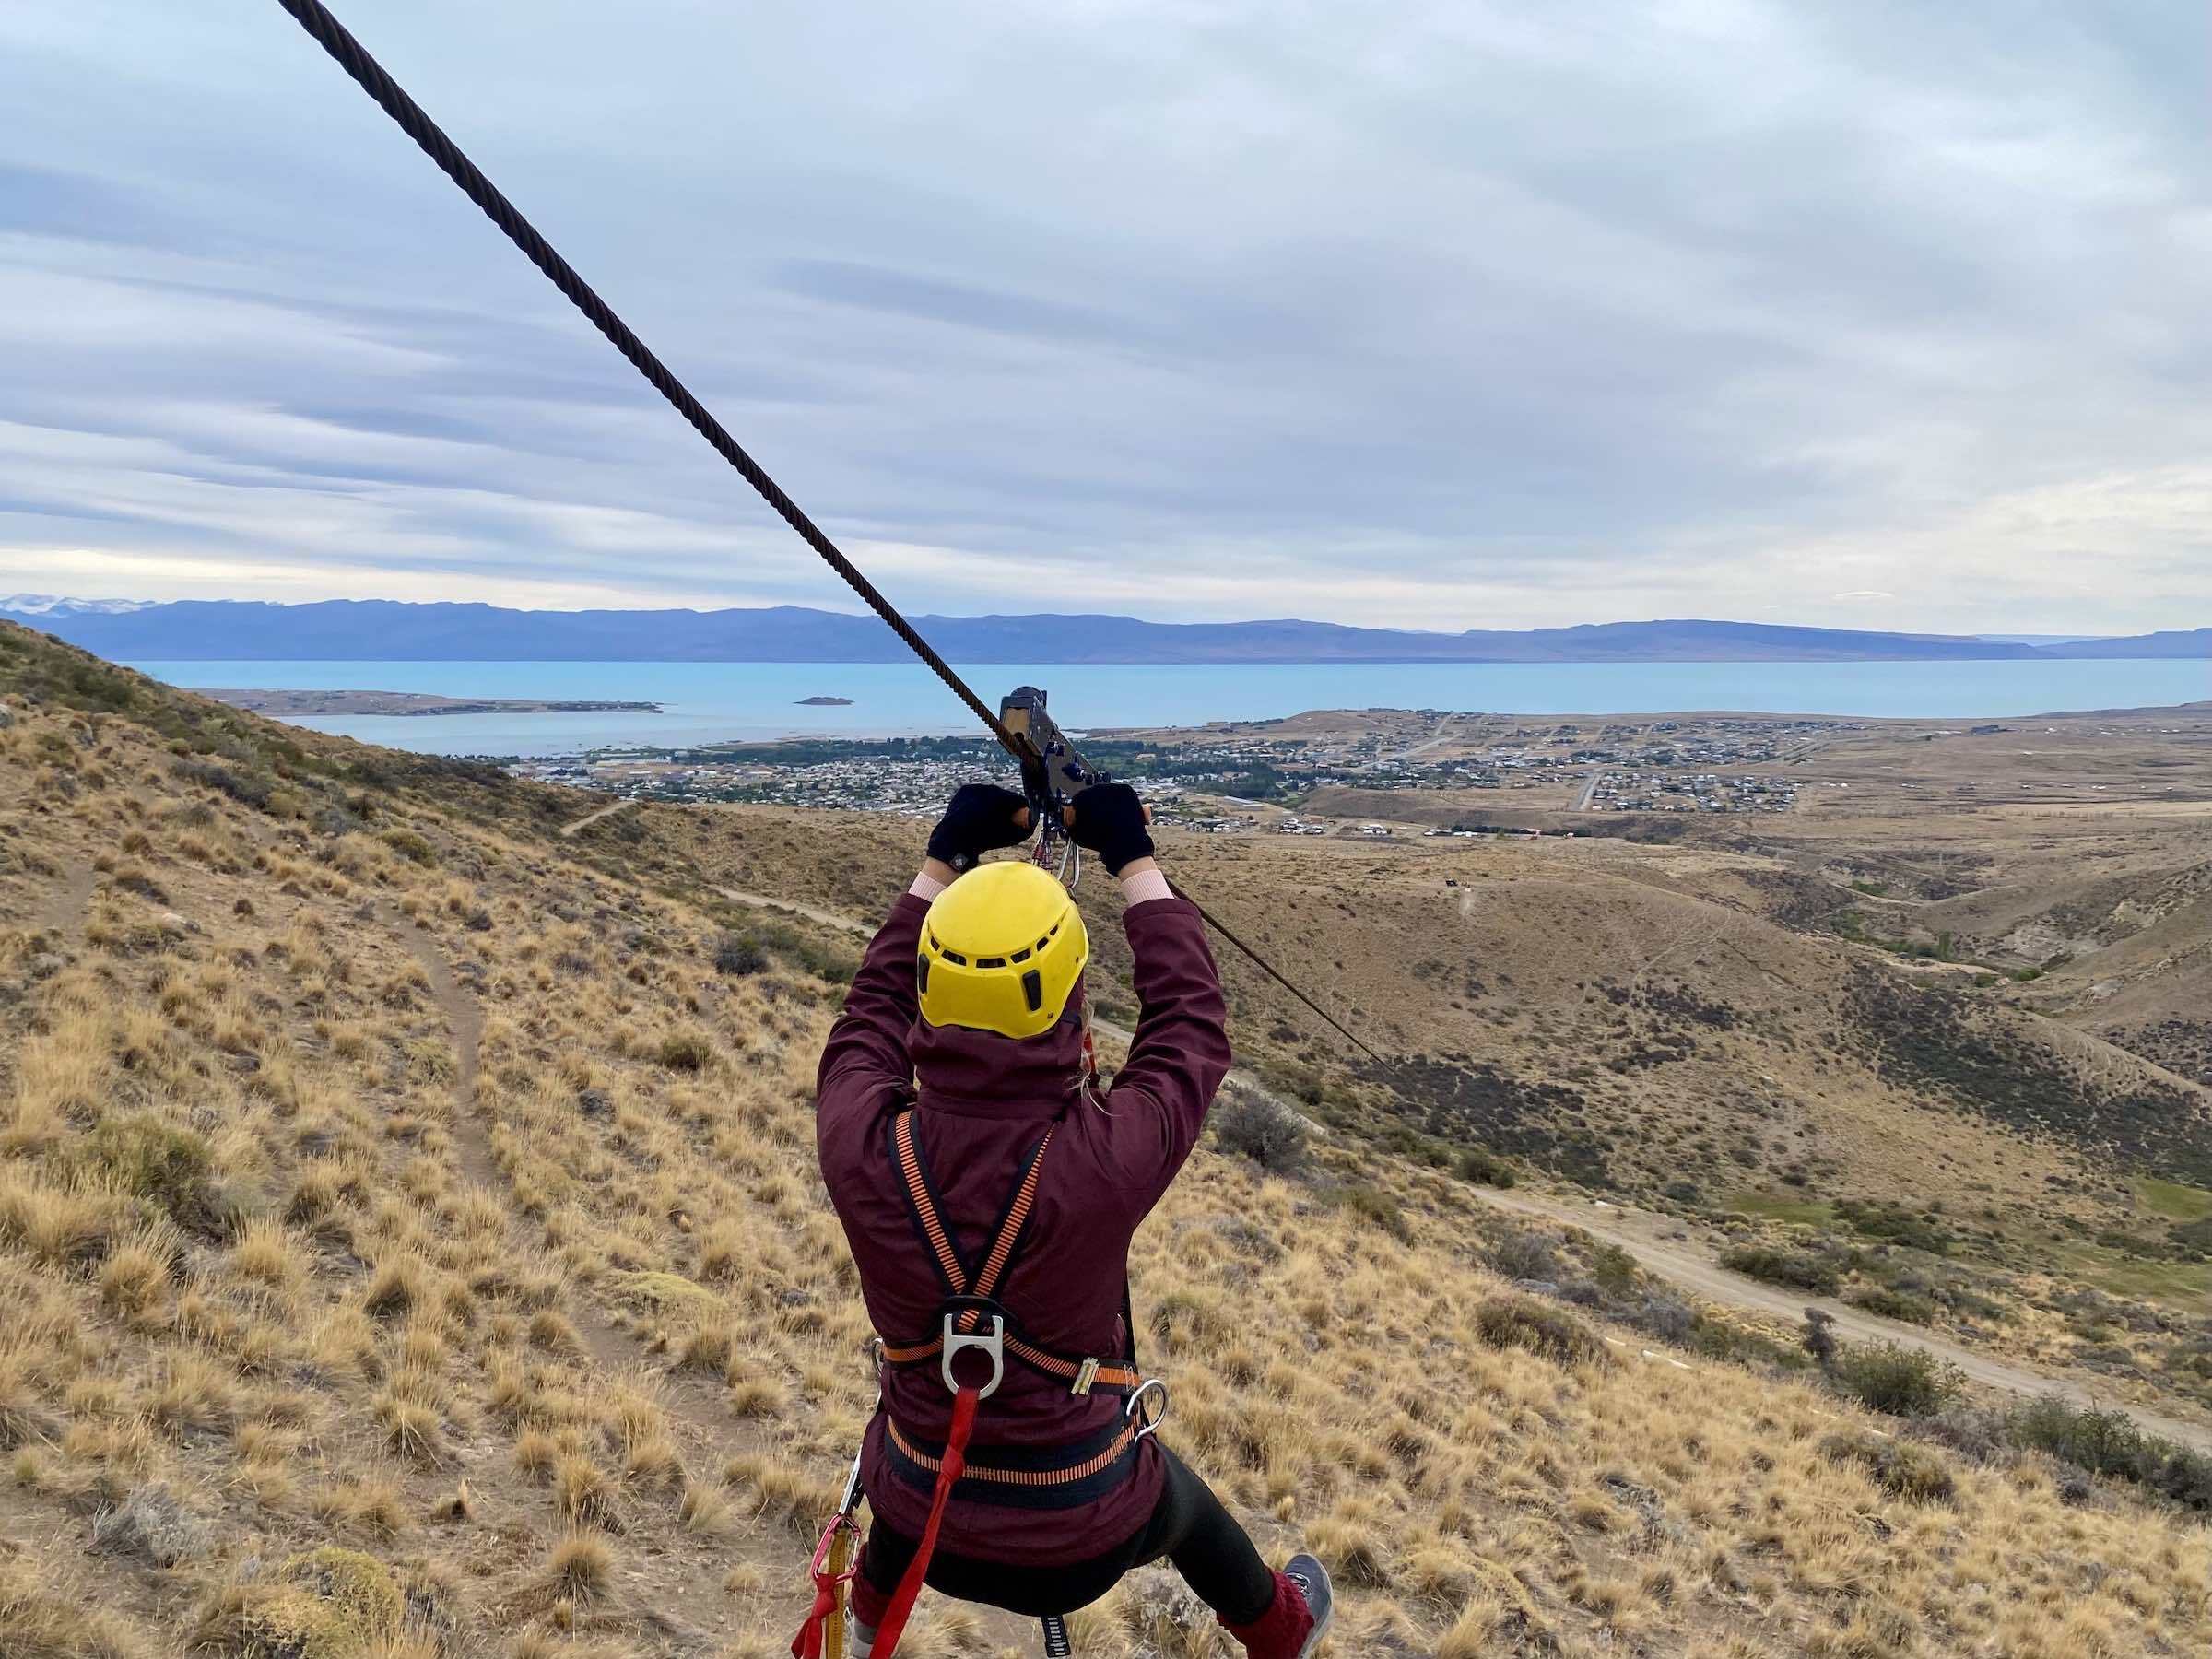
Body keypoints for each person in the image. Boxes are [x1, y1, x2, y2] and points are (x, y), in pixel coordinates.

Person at [815, 782, 1332, 1658]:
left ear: (928, 986)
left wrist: (941, 863)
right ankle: (1282, 1627)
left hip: (922, 1511)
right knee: (1185, 1507)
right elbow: (1188, 1027)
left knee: (913, 1451)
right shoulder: (1101, 1158)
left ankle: (866, 1628)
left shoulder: (859, 1135)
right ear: (1066, 996)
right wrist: (1134, 861)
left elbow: (868, 1014)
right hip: (1081, 1532)